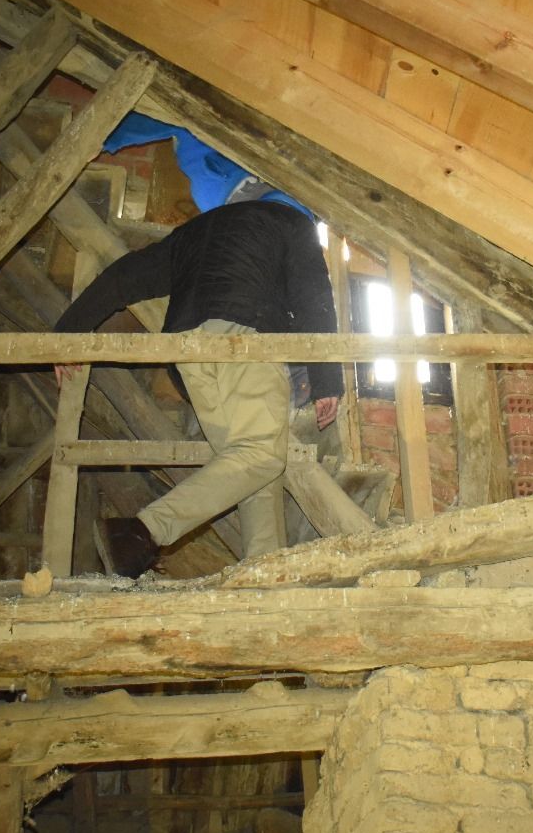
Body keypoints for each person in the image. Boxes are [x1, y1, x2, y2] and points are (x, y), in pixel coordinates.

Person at [55, 187, 342, 565]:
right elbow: (313, 297)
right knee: (262, 455)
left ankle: (264, 573)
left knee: (248, 462)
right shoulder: (293, 222)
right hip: (246, 340)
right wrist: (327, 380)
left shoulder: (197, 229)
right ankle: (142, 532)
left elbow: (125, 276)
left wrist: (68, 333)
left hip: (187, 352)